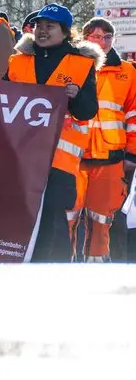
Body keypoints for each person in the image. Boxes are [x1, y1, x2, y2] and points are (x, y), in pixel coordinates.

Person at [9, 4, 98, 263]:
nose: (42, 31)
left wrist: (76, 96)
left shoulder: (81, 64)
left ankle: (52, 274)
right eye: (38, 25)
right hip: (21, 158)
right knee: (20, 215)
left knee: (52, 218)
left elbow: (87, 111)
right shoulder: (16, 61)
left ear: (65, 32)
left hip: (59, 160)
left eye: (50, 26)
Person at [77, 16, 129, 262]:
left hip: (110, 157)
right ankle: (67, 265)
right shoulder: (72, 63)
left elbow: (134, 115)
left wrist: (131, 155)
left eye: (107, 36)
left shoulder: (127, 72)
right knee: (70, 217)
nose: (103, 41)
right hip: (73, 154)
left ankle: (97, 268)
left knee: (102, 219)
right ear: (85, 37)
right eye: (96, 36)